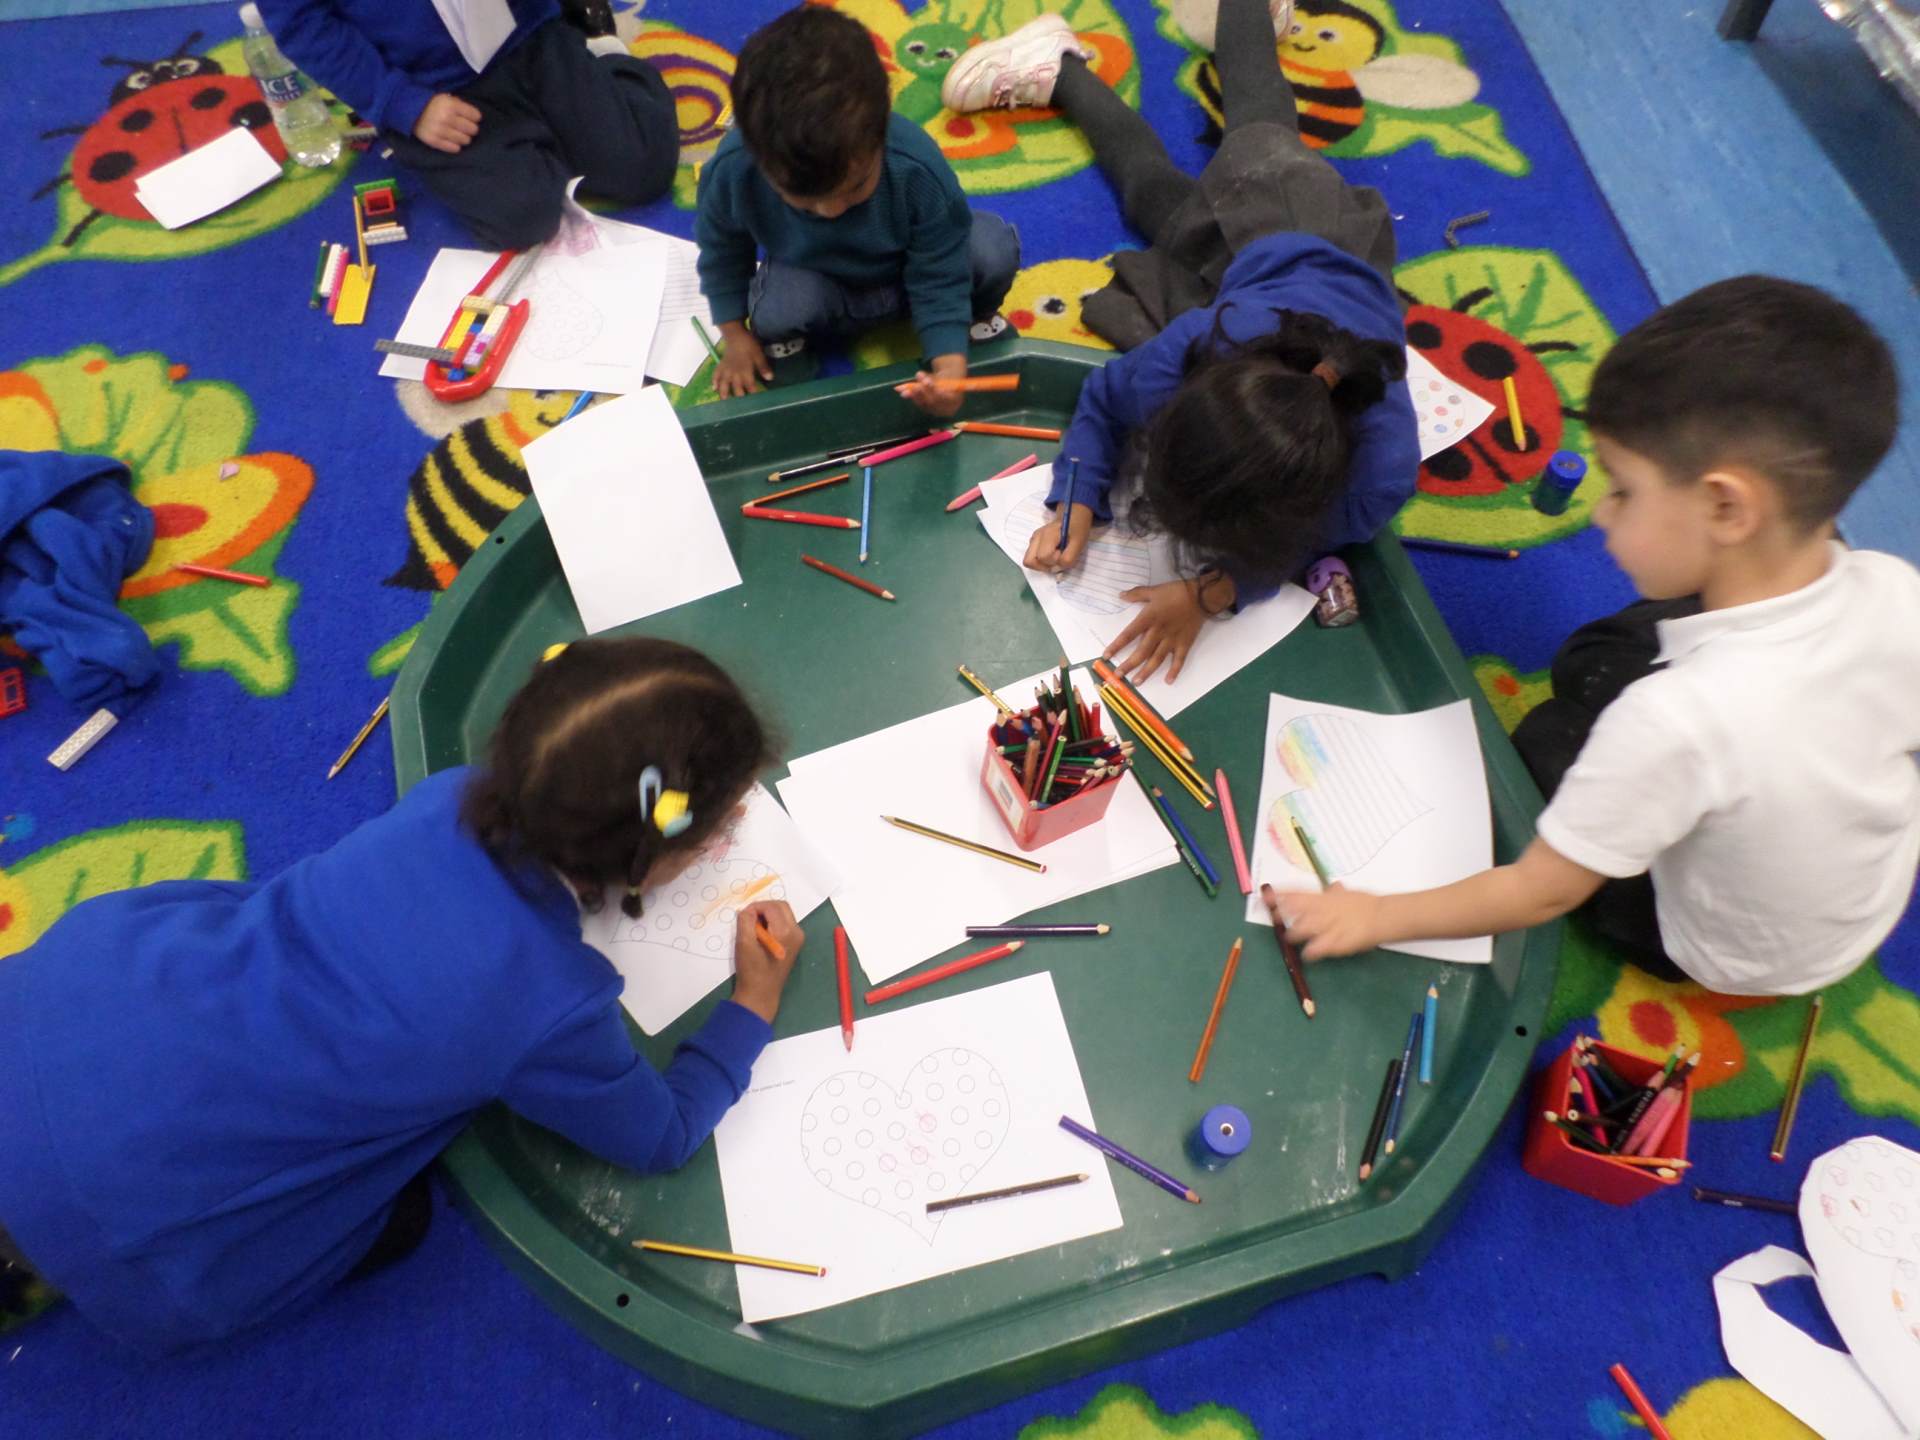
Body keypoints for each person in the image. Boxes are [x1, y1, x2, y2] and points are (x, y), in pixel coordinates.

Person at [0, 636, 802, 1350]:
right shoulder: (550, 1005)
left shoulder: (449, 795)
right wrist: (753, 1004)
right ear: (643, 859)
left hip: (53, 1012)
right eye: (721, 829)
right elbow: (660, 1136)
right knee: (398, 1219)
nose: (730, 835)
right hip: (132, 1214)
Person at [1277, 277, 1920, 998]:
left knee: (1546, 740)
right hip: (1855, 898)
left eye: (1623, 489)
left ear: (1725, 507)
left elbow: (1543, 891)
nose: (1601, 515)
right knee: (1598, 658)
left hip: (1722, 949)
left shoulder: (1674, 720)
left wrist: (1372, 914)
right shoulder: (1893, 587)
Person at [941, 0, 1415, 682]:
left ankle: (1108, 58)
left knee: (1207, 164)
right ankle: (1078, 65)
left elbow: (1304, 542)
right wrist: (1078, 494)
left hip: (1283, 249)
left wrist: (1208, 594)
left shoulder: (1377, 478)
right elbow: (1107, 398)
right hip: (1267, 248)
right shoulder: (1202, 344)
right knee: (1200, 162)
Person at [696, 6, 1021, 417]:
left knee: (990, 250)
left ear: (881, 132)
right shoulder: (733, 170)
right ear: (757, 156)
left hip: (911, 278)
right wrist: (734, 334)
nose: (831, 211)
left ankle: (972, 319)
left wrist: (948, 362)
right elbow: (722, 251)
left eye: (854, 188)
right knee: (777, 309)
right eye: (804, 199)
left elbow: (941, 270)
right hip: (821, 284)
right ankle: (791, 342)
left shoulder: (917, 168)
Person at [257, 0, 679, 249]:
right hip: (431, 92)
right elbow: (303, 26)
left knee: (640, 167)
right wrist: (402, 103)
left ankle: (606, 55)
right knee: (524, 217)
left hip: (530, 33)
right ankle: (538, 141)